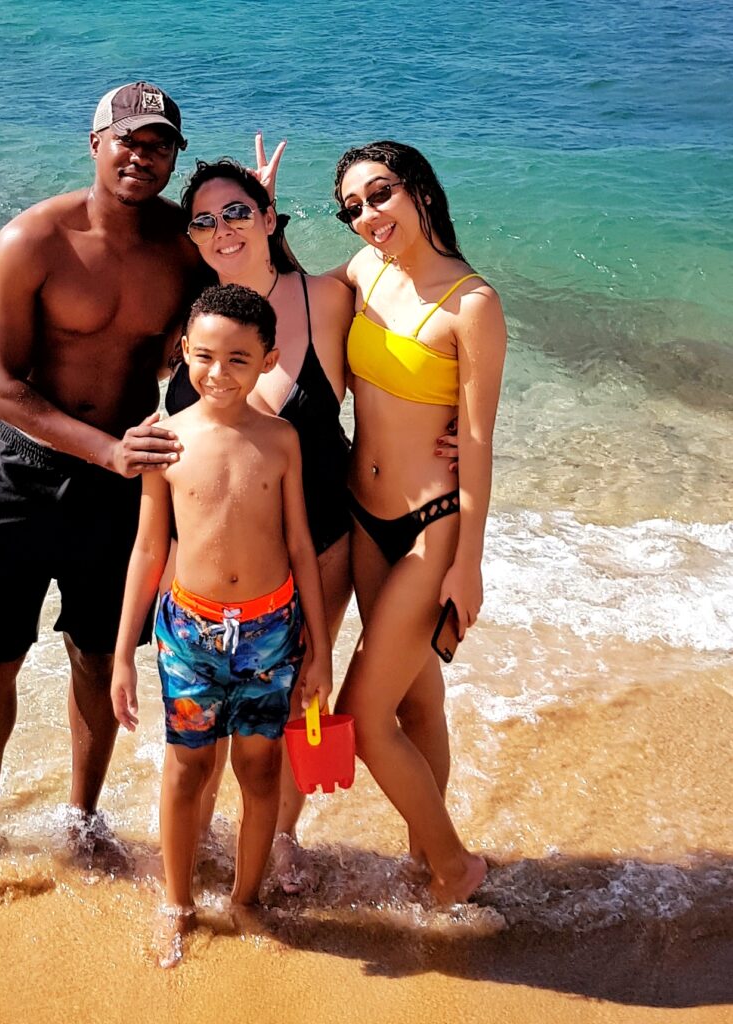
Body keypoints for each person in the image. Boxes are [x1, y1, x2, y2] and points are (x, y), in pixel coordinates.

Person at [167, 152, 460, 892]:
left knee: (313, 691)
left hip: (327, 535)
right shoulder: (194, 324)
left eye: (238, 211)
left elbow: (418, 317)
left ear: (269, 216)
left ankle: (308, 838)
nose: (222, 229)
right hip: (213, 561)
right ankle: (198, 844)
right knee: (209, 718)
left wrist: (449, 423)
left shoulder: (328, 297)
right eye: (205, 219)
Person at [0, 82, 203, 854]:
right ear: (96, 143)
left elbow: (254, 318)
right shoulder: (32, 240)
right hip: (20, 475)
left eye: (158, 144)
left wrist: (260, 221)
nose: (141, 155)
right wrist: (105, 448)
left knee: (98, 656)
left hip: (118, 488)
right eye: (128, 140)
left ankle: (83, 823)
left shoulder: (182, 245)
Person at [110, 284, 332, 961]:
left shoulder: (283, 440)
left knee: (261, 772)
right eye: (204, 356)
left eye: (240, 359)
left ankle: (245, 900)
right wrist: (124, 653)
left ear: (268, 360)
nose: (219, 372)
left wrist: (320, 649)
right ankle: (177, 901)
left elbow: (300, 546)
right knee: (186, 768)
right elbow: (149, 547)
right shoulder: (168, 441)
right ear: (183, 355)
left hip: (270, 632)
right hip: (189, 633)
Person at [331, 141, 506, 903]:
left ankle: (452, 866)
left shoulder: (472, 303)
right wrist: (261, 221)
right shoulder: (362, 274)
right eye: (353, 207)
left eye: (380, 195)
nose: (368, 215)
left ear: (420, 192)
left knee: (361, 720)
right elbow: (291, 299)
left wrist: (468, 564)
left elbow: (475, 441)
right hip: (362, 516)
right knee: (417, 699)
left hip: (429, 529)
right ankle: (417, 854)